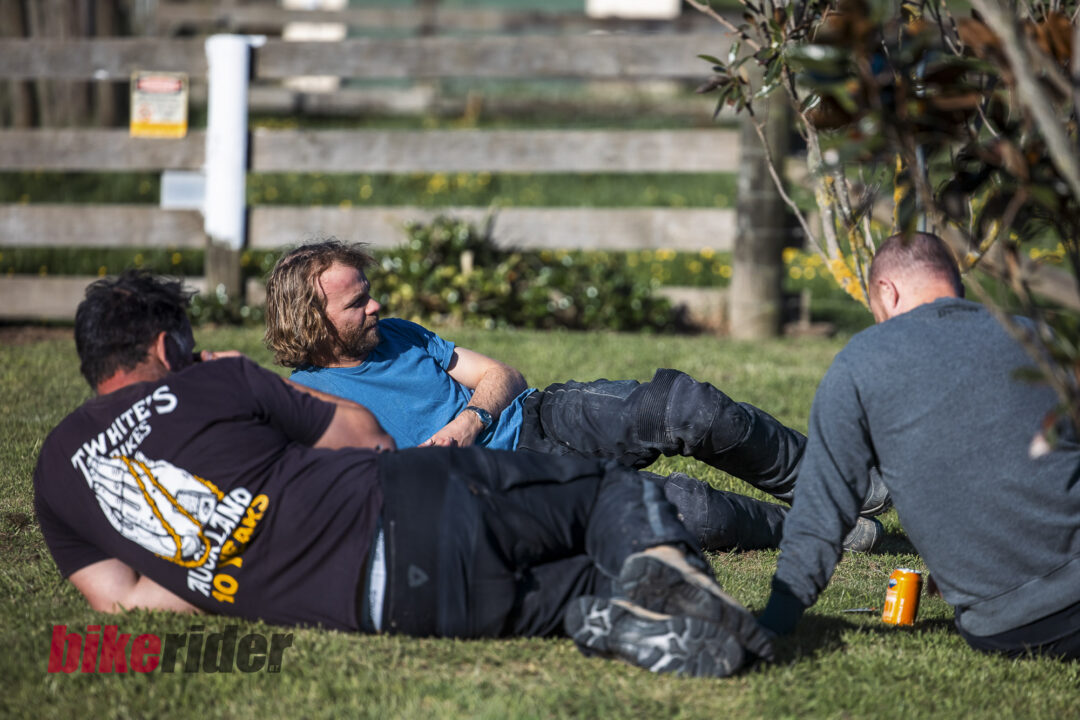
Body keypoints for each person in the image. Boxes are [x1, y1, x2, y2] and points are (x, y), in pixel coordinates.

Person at [33, 270, 779, 678]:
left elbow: (124, 600)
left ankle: (620, 619)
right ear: (168, 348)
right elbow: (366, 438)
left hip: (380, 605)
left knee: (578, 582)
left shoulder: (55, 470)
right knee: (621, 493)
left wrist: (231, 561)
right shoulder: (217, 380)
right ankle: (672, 575)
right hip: (409, 509)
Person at [262, 241, 890, 554]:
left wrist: (473, 418)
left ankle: (837, 483)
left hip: (541, 415)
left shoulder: (399, 335)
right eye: (357, 302)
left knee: (688, 407)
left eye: (370, 290)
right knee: (692, 512)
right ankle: (822, 528)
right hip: (525, 489)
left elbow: (500, 373)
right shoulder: (310, 405)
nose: (377, 305)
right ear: (313, 320)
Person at [757, 232, 1080, 660]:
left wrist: (775, 620)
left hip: (1015, 625)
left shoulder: (860, 363)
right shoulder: (1038, 337)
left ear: (886, 292)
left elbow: (821, 513)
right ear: (953, 284)